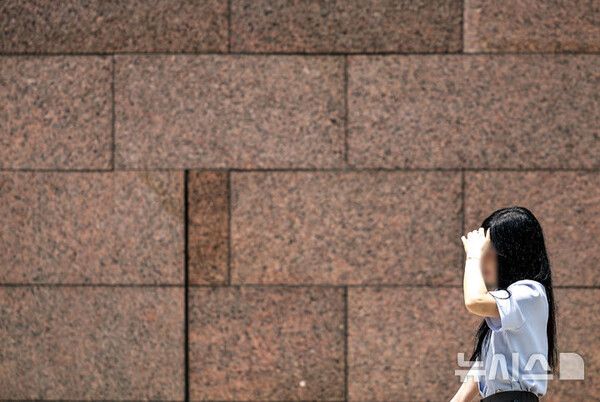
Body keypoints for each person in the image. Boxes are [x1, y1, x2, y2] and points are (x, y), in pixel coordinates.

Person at [450, 206, 558, 402]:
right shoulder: (508, 306)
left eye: (489, 249)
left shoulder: (530, 293)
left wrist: (472, 256)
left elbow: (475, 301)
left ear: (511, 253)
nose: (483, 258)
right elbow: (483, 369)